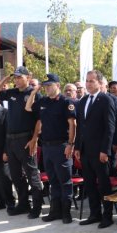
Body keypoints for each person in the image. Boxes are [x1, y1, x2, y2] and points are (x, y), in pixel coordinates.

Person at [0, 66, 44, 217]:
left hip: (26, 139)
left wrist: (35, 139)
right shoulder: (12, 92)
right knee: (15, 176)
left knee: (32, 174)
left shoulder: (34, 94)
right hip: (11, 140)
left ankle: (37, 207)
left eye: (20, 77)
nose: (17, 80)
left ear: (28, 77)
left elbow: (39, 120)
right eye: (15, 77)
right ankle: (23, 204)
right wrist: (4, 79)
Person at [26, 74, 77, 223]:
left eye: (50, 85)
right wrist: (34, 92)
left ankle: (66, 213)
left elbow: (73, 124)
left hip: (61, 146)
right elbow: (28, 107)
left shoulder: (66, 102)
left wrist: (70, 144)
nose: (47, 88)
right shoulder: (43, 102)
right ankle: (55, 212)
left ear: (58, 86)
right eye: (46, 86)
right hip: (47, 147)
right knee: (53, 181)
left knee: (65, 181)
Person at [75, 70, 116, 228]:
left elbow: (109, 127)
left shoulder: (105, 100)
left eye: (92, 81)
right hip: (85, 150)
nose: (88, 83)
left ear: (100, 83)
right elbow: (81, 126)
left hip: (100, 151)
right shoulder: (84, 100)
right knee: (90, 184)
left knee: (104, 184)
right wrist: (78, 146)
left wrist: (105, 150)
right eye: (87, 81)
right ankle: (94, 214)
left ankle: (107, 215)